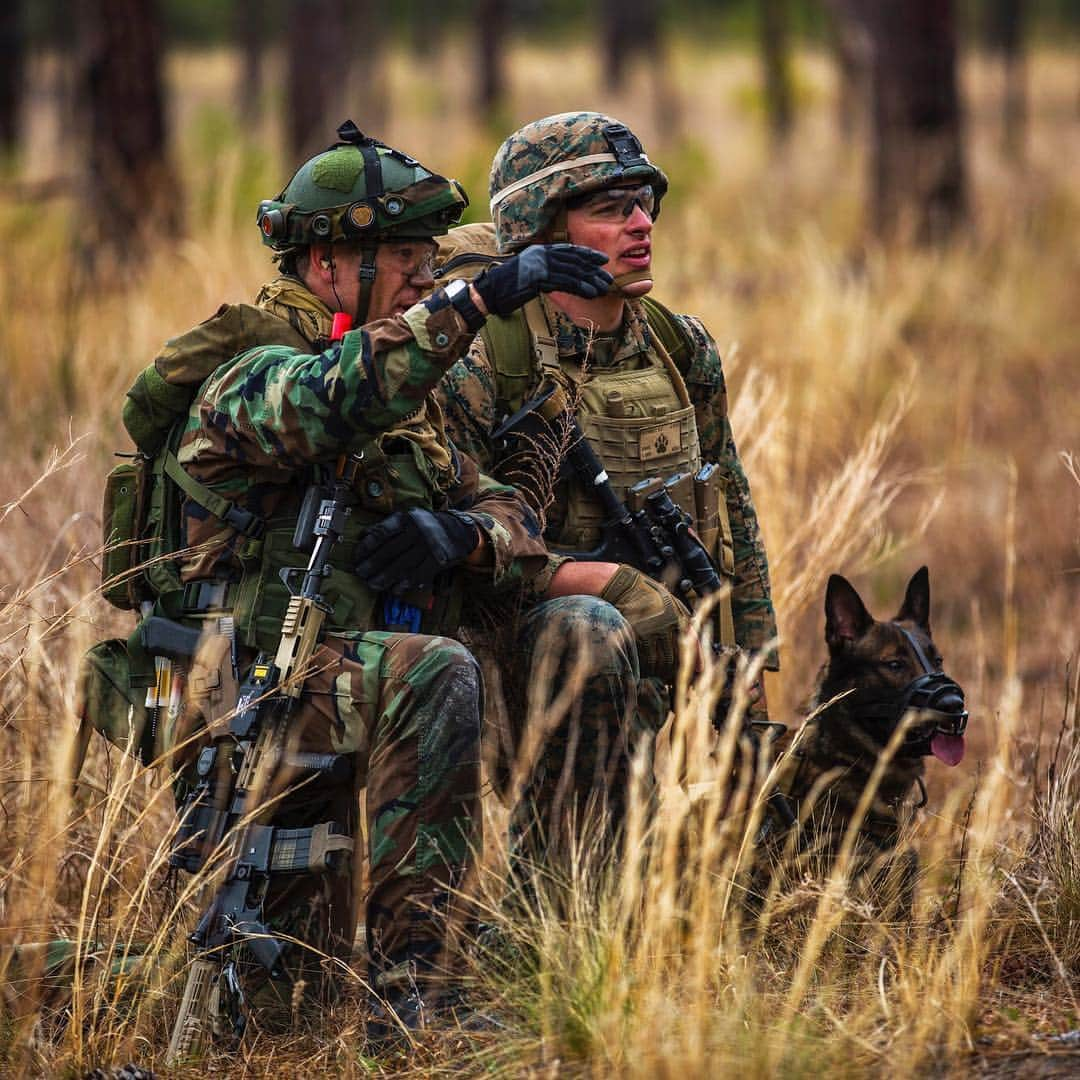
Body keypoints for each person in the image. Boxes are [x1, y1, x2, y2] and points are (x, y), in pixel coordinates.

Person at [119, 122, 619, 1041]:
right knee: (432, 673)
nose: (426, 275)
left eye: (434, 258)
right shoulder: (251, 369)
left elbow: (513, 515)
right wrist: (481, 297)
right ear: (325, 265)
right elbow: (331, 398)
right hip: (232, 691)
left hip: (334, 676)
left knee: (580, 628)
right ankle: (413, 1000)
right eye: (402, 257)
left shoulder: (398, 389)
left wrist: (459, 532)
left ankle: (570, 934)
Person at [434, 112, 779, 862]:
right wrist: (603, 584)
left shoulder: (678, 344)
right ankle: (562, 912)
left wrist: (751, 663)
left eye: (645, 202)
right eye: (609, 208)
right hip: (515, 651)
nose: (641, 224)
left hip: (675, 635)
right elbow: (450, 537)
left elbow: (734, 513)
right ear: (543, 231)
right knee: (588, 629)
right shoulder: (487, 359)